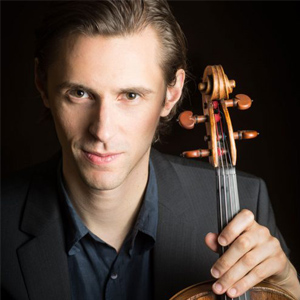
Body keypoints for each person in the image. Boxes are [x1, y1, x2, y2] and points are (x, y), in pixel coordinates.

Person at [2, 1, 300, 300]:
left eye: (130, 95)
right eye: (79, 93)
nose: (102, 130)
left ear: (171, 93)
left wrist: (289, 286)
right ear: (42, 82)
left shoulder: (244, 205)